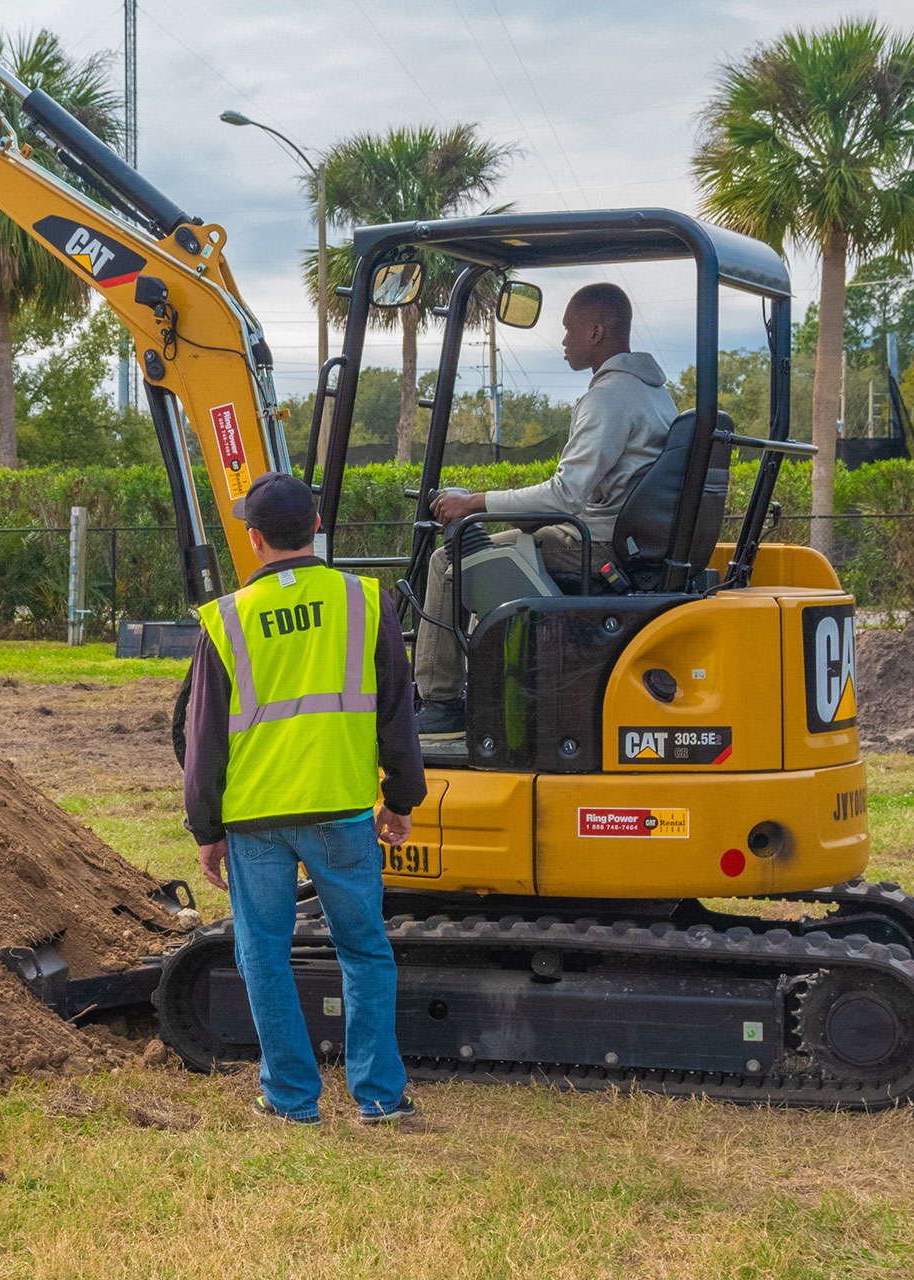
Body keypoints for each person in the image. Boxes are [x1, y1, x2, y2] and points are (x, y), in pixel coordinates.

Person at [183, 471, 428, 1125]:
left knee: (262, 952)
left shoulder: (226, 619)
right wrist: (401, 799)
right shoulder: (366, 603)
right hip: (341, 811)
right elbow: (398, 715)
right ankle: (379, 1096)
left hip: (255, 820)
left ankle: (291, 1099)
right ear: (316, 529)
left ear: (254, 539)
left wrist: (206, 828)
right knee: (365, 950)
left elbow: (202, 738)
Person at [413, 283, 679, 735]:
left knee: (446, 561)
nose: (562, 341)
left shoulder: (608, 397)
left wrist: (473, 503)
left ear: (596, 332)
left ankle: (441, 706)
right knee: (489, 543)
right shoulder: (655, 394)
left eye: (568, 330)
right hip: (623, 540)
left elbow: (564, 495)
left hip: (594, 546)